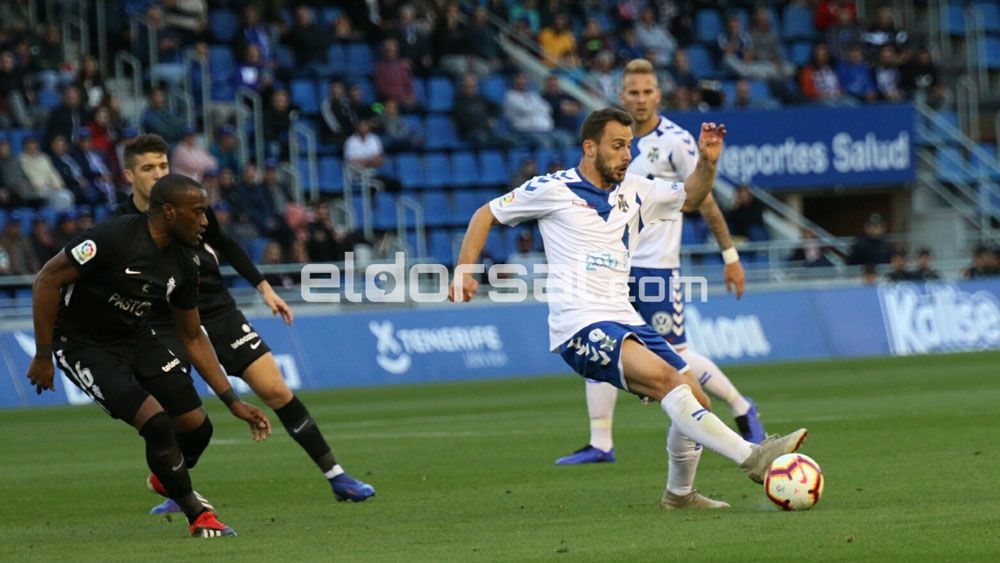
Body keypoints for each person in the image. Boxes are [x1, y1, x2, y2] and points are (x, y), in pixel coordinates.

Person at [449, 107, 807, 509]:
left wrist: (707, 162)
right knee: (669, 383)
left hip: (625, 318)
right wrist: (465, 269)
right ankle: (753, 457)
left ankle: (680, 494)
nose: (626, 155)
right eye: (618, 146)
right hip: (580, 326)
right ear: (590, 147)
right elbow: (486, 214)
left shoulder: (637, 190)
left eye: (630, 146)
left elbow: (692, 195)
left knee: (696, 399)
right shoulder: (553, 189)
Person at [111, 135, 375, 511]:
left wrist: (264, 287)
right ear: (129, 175)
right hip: (165, 322)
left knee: (275, 390)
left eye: (163, 166)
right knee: (182, 414)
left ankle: (337, 476)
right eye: (148, 168)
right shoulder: (121, 224)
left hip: (217, 309)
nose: (157, 174)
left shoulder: (189, 201)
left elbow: (228, 244)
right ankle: (177, 488)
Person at [28, 173, 272, 538]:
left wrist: (233, 401)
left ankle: (167, 475)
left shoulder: (185, 264)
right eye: (199, 212)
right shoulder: (112, 238)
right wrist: (44, 354)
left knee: (198, 428)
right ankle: (198, 515)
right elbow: (47, 279)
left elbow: (192, 335)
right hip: (84, 345)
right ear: (170, 212)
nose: (206, 222)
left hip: (137, 338)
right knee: (157, 424)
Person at [556, 59, 765, 479]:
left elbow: (702, 199)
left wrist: (730, 256)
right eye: (632, 92)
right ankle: (601, 442)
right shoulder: (612, 139)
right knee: (602, 340)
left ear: (658, 95)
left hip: (656, 269)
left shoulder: (676, 142)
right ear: (622, 95)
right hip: (612, 264)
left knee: (678, 354)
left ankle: (742, 407)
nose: (639, 99)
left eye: (647, 91)